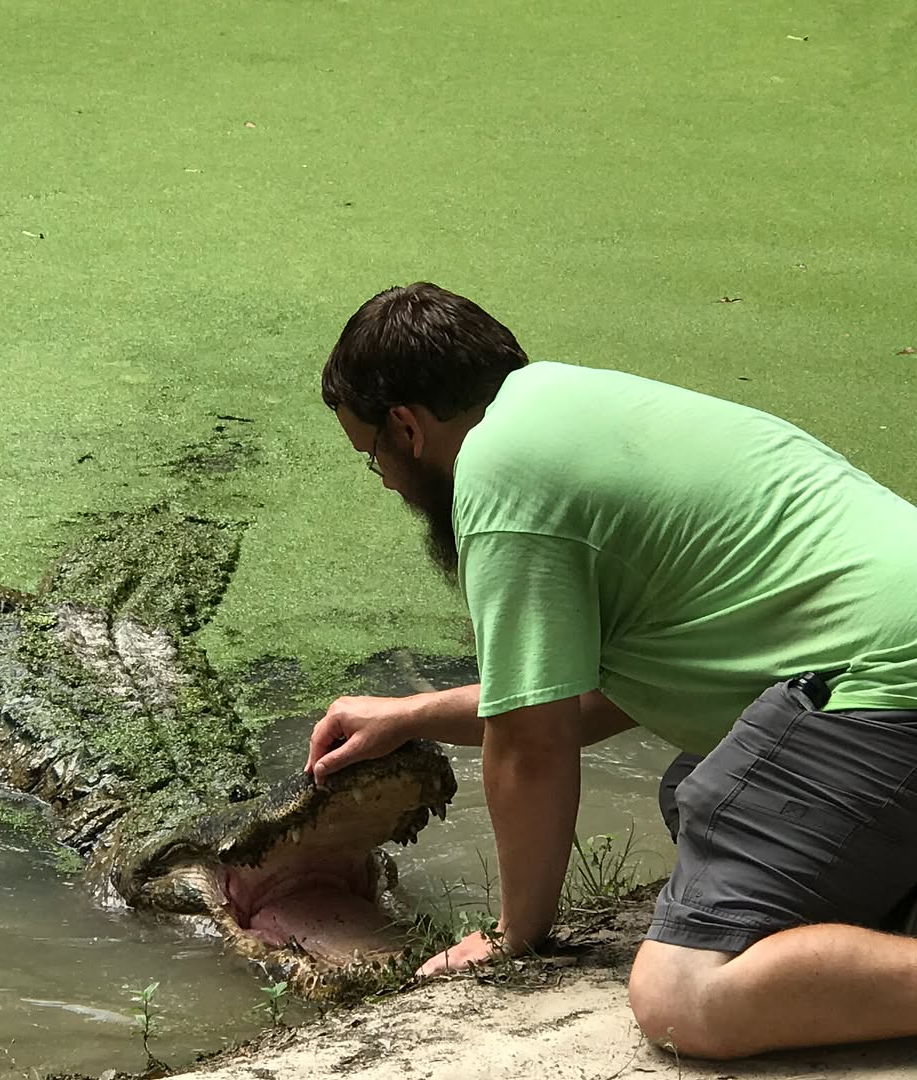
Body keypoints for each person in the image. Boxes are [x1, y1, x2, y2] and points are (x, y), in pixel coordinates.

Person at [304, 281, 917, 1060]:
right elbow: (599, 696)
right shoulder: (571, 403)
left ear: (405, 427)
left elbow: (533, 745)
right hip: (887, 670)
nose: (386, 482)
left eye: (372, 459)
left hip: (886, 684)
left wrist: (513, 936)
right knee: (697, 787)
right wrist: (413, 716)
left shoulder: (499, 478)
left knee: (683, 994)